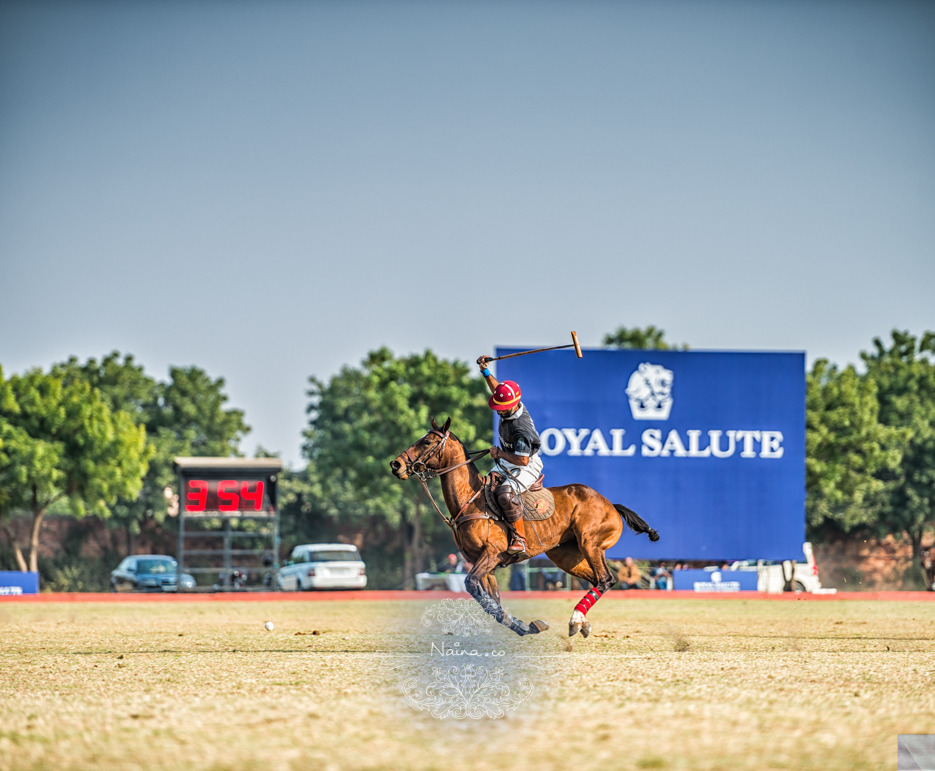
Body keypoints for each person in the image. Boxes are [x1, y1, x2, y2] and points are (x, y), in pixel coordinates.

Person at [477, 355, 543, 556]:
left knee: (505, 492)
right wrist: (485, 371)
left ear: (514, 404)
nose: (498, 412)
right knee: (482, 486)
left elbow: (523, 460)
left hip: (526, 465)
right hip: (507, 460)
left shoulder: (520, 428)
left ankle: (520, 539)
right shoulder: (511, 405)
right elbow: (498, 391)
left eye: (501, 408)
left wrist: (499, 453)